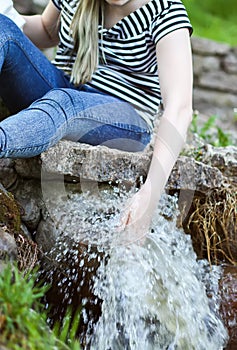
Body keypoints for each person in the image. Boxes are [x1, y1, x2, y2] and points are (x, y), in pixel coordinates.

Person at [0, 0, 193, 241]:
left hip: (124, 119)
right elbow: (47, 31)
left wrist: (150, 193)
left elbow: (180, 107)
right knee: (2, 28)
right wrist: (8, 14)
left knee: (64, 101)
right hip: (63, 85)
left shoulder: (165, 11)